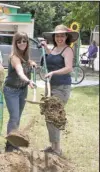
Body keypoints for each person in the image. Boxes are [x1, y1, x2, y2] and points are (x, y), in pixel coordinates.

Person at [41, 24, 79, 156]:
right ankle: (53, 145)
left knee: (54, 116)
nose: (59, 38)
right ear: (54, 37)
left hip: (61, 87)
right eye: (57, 35)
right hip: (51, 86)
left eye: (62, 35)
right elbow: (52, 57)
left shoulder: (68, 50)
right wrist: (46, 48)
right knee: (48, 116)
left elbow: (69, 68)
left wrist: (53, 73)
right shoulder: (55, 48)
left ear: (66, 36)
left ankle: (57, 148)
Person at [3, 32, 37, 152]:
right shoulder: (14, 57)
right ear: (15, 43)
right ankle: (10, 145)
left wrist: (31, 63)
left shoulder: (25, 55)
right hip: (11, 90)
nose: (22, 43)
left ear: (27, 42)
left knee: (18, 118)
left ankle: (14, 142)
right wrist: (29, 81)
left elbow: (26, 63)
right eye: (19, 41)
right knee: (14, 117)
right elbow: (20, 71)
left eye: (24, 41)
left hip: (22, 90)